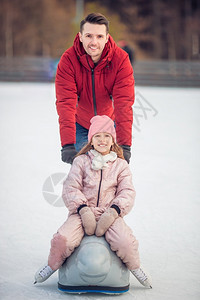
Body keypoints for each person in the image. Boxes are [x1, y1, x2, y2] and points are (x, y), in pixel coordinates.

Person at [34, 115, 152, 288]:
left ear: (113, 141)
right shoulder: (80, 161)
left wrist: (113, 212)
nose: (102, 140)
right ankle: (52, 265)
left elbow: (127, 191)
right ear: (91, 140)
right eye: (97, 136)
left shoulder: (121, 165)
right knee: (62, 239)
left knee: (125, 241)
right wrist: (83, 209)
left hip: (110, 214)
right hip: (81, 213)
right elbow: (70, 188)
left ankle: (135, 267)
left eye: (106, 136)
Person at [55, 13, 135, 165]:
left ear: (106, 37)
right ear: (80, 36)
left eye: (99, 36)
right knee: (84, 172)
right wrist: (67, 144)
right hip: (81, 124)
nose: (93, 42)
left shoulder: (120, 59)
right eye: (89, 36)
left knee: (111, 174)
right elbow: (65, 102)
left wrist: (125, 145)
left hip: (109, 123)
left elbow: (124, 103)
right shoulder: (68, 60)